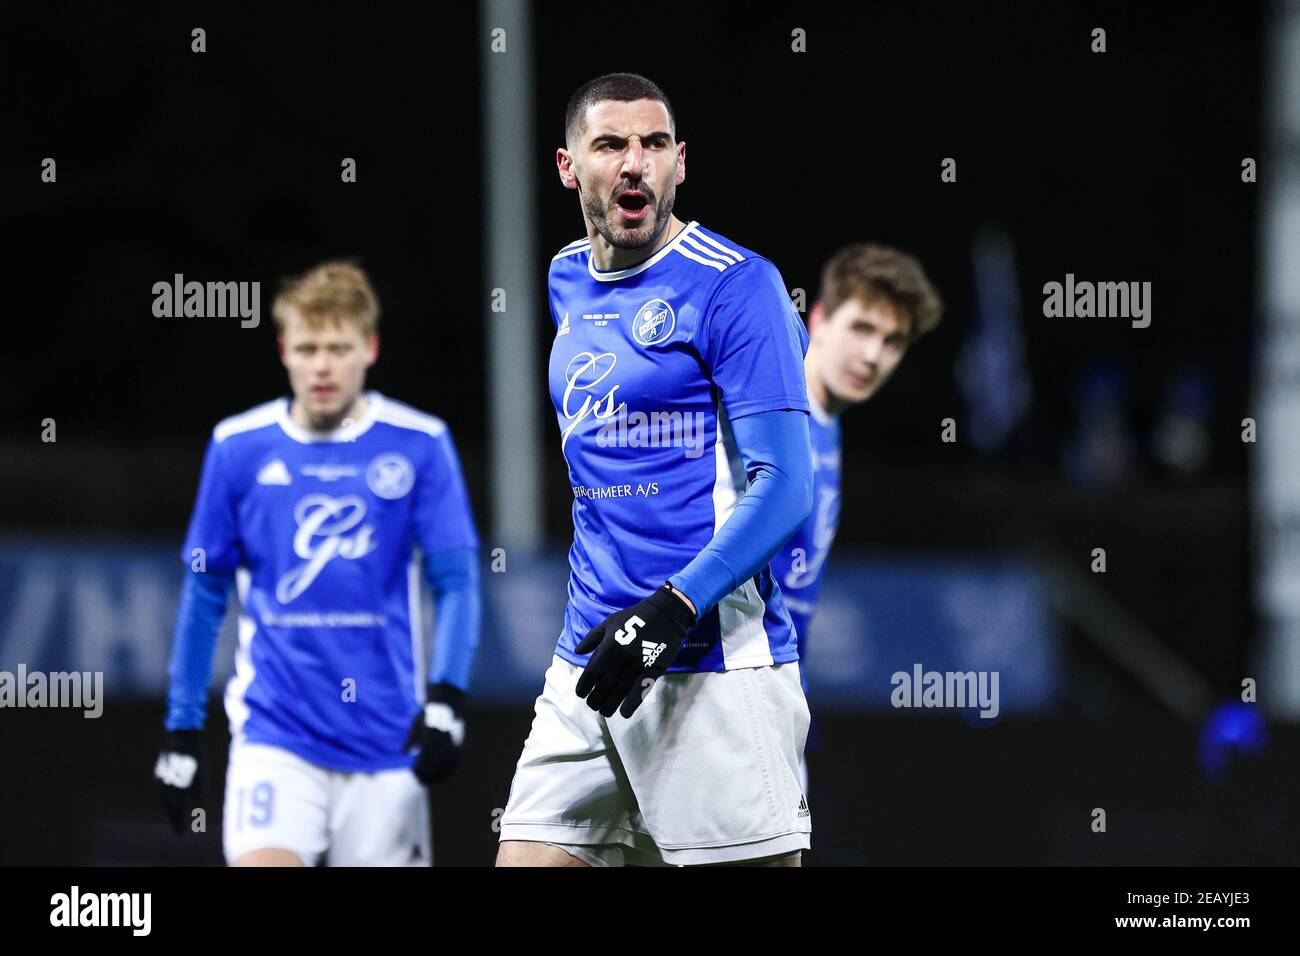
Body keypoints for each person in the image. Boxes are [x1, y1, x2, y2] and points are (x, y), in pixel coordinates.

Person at [497, 73, 814, 867]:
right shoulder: (567, 278)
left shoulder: (738, 286)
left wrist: (672, 610)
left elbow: (787, 486)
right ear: (570, 167)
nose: (634, 163)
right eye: (610, 145)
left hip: (708, 662)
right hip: (588, 665)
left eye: (654, 144)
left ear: (679, 164)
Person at [152, 261, 481, 866]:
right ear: (283, 350)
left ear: (371, 347)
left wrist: (447, 700)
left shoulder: (420, 443)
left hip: (389, 741)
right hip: (274, 737)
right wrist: (182, 730)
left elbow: (457, 583)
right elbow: (204, 595)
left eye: (338, 347)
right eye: (307, 348)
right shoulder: (237, 448)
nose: (322, 366)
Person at [769, 243, 943, 790]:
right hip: (718, 694)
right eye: (862, 328)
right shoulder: (772, 411)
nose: (874, 355)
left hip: (775, 701)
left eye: (893, 342)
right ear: (818, 318)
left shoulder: (829, 424)